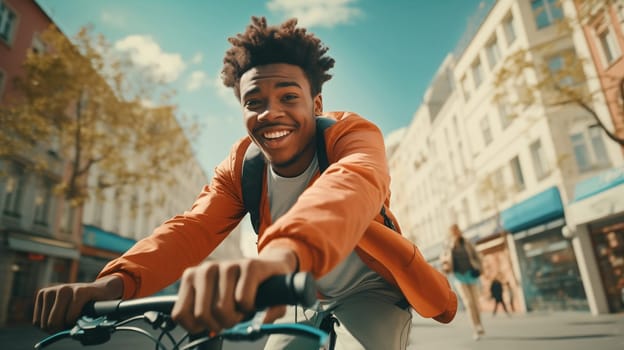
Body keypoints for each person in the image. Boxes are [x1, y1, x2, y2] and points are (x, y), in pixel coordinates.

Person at [32, 17, 457, 349]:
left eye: (289, 97)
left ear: (317, 102)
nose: (270, 113)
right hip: (300, 294)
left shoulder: (350, 136)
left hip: (369, 289)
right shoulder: (241, 167)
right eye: (254, 102)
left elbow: (349, 188)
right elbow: (191, 230)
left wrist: (274, 259)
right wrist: (112, 283)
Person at [440, 224, 485, 340]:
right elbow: (444, 260)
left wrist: (480, 267)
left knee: (475, 302)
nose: (456, 233)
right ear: (451, 233)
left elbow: (476, 256)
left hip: (471, 274)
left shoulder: (467, 243)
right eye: (453, 231)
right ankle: (475, 328)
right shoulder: (448, 245)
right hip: (459, 276)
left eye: (457, 230)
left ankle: (479, 324)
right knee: (468, 302)